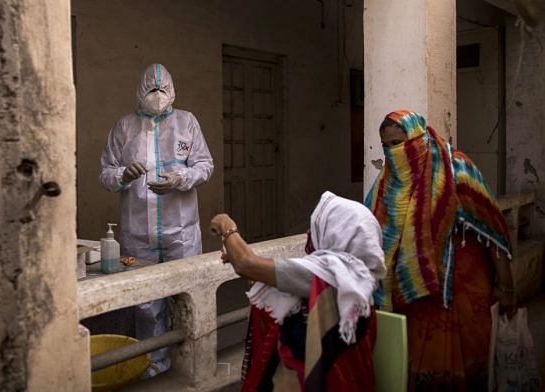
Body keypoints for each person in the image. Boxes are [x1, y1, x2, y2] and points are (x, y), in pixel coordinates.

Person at [365, 109, 516, 390]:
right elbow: (371, 225)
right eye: (387, 146)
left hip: (460, 288)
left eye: (399, 143)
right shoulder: (388, 179)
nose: (393, 151)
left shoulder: (455, 168)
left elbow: (491, 227)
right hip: (410, 297)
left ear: (418, 138)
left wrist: (506, 288)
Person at [99, 63, 214, 376]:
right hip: (138, 232)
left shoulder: (186, 122)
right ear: (140, 91)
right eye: (152, 89)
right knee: (147, 304)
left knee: (189, 295)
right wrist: (123, 174)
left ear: (173, 91)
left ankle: (194, 360)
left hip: (181, 232)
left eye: (163, 89)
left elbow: (205, 165)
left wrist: (180, 178)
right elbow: (106, 174)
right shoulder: (123, 127)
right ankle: (155, 365)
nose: (158, 95)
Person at [210, 191, 386, 391]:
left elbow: (245, 264)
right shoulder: (359, 275)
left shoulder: (330, 273)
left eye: (316, 227)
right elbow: (277, 282)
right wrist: (248, 267)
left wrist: (227, 227)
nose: (309, 234)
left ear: (335, 232)